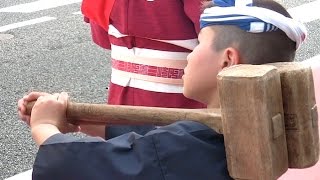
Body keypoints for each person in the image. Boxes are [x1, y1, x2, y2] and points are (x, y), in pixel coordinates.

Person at [18, 0, 309, 179]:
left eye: (201, 42)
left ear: (228, 60)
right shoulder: (253, 122)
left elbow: (92, 164)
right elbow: (153, 143)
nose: (191, 53)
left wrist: (46, 127)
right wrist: (82, 122)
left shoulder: (182, 146)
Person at [79, 0, 209, 138]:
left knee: (124, 150)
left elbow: (101, 39)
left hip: (122, 98)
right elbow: (219, 37)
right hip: (182, 102)